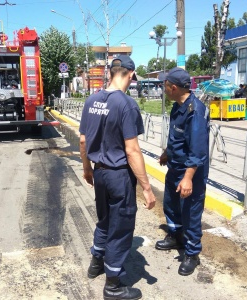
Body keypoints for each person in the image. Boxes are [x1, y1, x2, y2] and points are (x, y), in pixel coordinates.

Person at [79, 54, 156, 300]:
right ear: (131, 75)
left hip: (99, 172)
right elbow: (132, 150)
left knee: (104, 220)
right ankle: (113, 285)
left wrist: (87, 168)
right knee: (121, 228)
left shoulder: (91, 101)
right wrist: (146, 187)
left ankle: (96, 263)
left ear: (111, 72)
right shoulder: (126, 104)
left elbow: (83, 140)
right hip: (119, 175)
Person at [156, 67, 210, 276]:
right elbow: (176, 137)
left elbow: (197, 150)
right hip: (175, 166)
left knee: (190, 211)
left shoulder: (194, 111)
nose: (164, 89)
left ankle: (192, 253)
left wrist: (188, 179)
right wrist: (166, 153)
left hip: (191, 172)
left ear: (174, 87)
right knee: (171, 204)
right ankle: (176, 235)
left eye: (165, 85)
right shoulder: (178, 106)